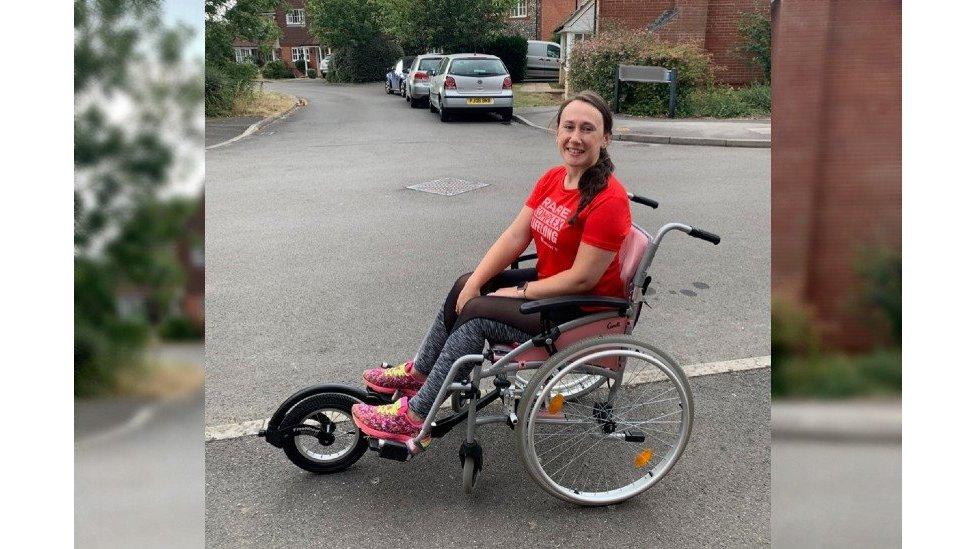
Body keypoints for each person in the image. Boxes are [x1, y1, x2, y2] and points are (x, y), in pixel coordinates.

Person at [351, 91, 633, 446]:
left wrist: (515, 292)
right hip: (552, 285)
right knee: (465, 286)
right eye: (568, 127)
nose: (575, 138)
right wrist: (479, 282)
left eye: (587, 129)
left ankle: (414, 418)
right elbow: (516, 236)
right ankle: (421, 375)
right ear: (556, 130)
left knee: (479, 314)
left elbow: (583, 278)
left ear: (605, 137)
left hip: (579, 306)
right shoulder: (553, 179)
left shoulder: (608, 200)